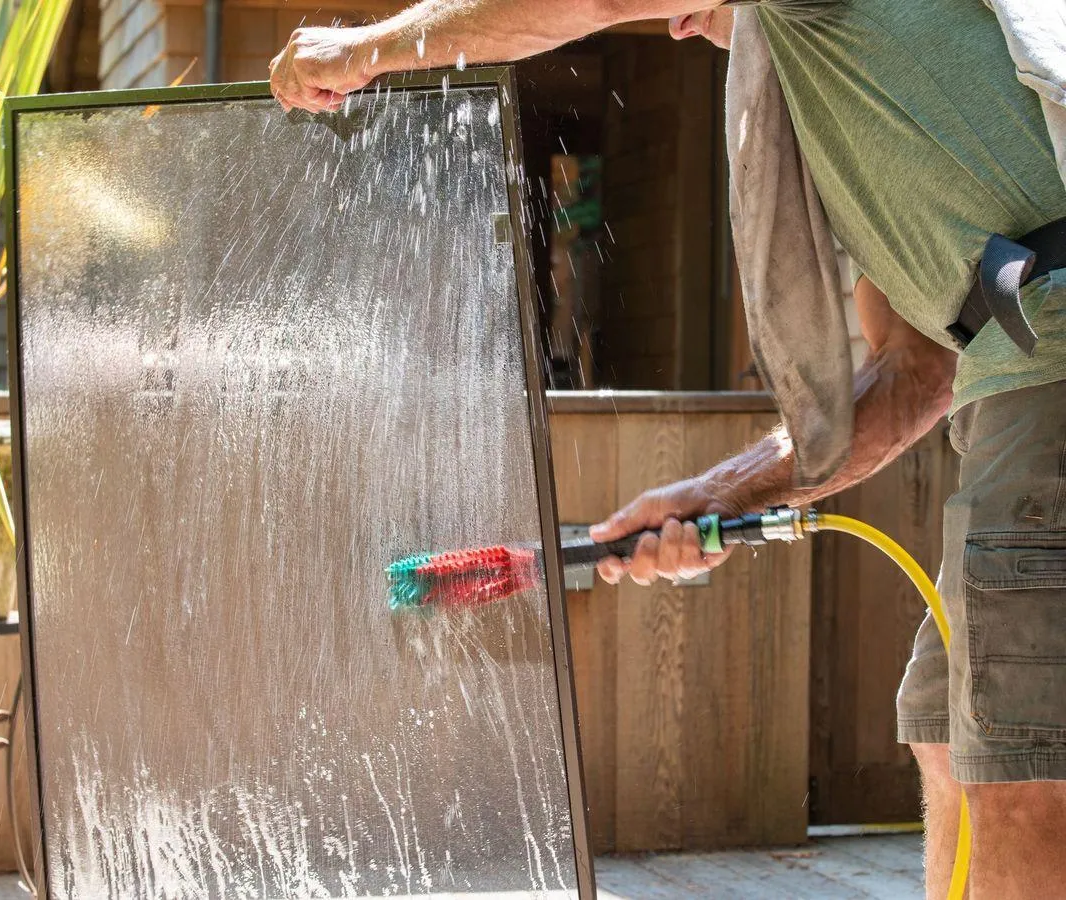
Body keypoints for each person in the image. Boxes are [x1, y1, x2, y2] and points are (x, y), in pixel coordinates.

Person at [270, 1, 1066, 895]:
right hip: (1018, 386)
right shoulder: (863, 105)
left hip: (1053, 378)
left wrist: (369, 49)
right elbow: (917, 371)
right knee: (951, 735)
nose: (678, 27)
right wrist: (719, 494)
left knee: (1026, 777)